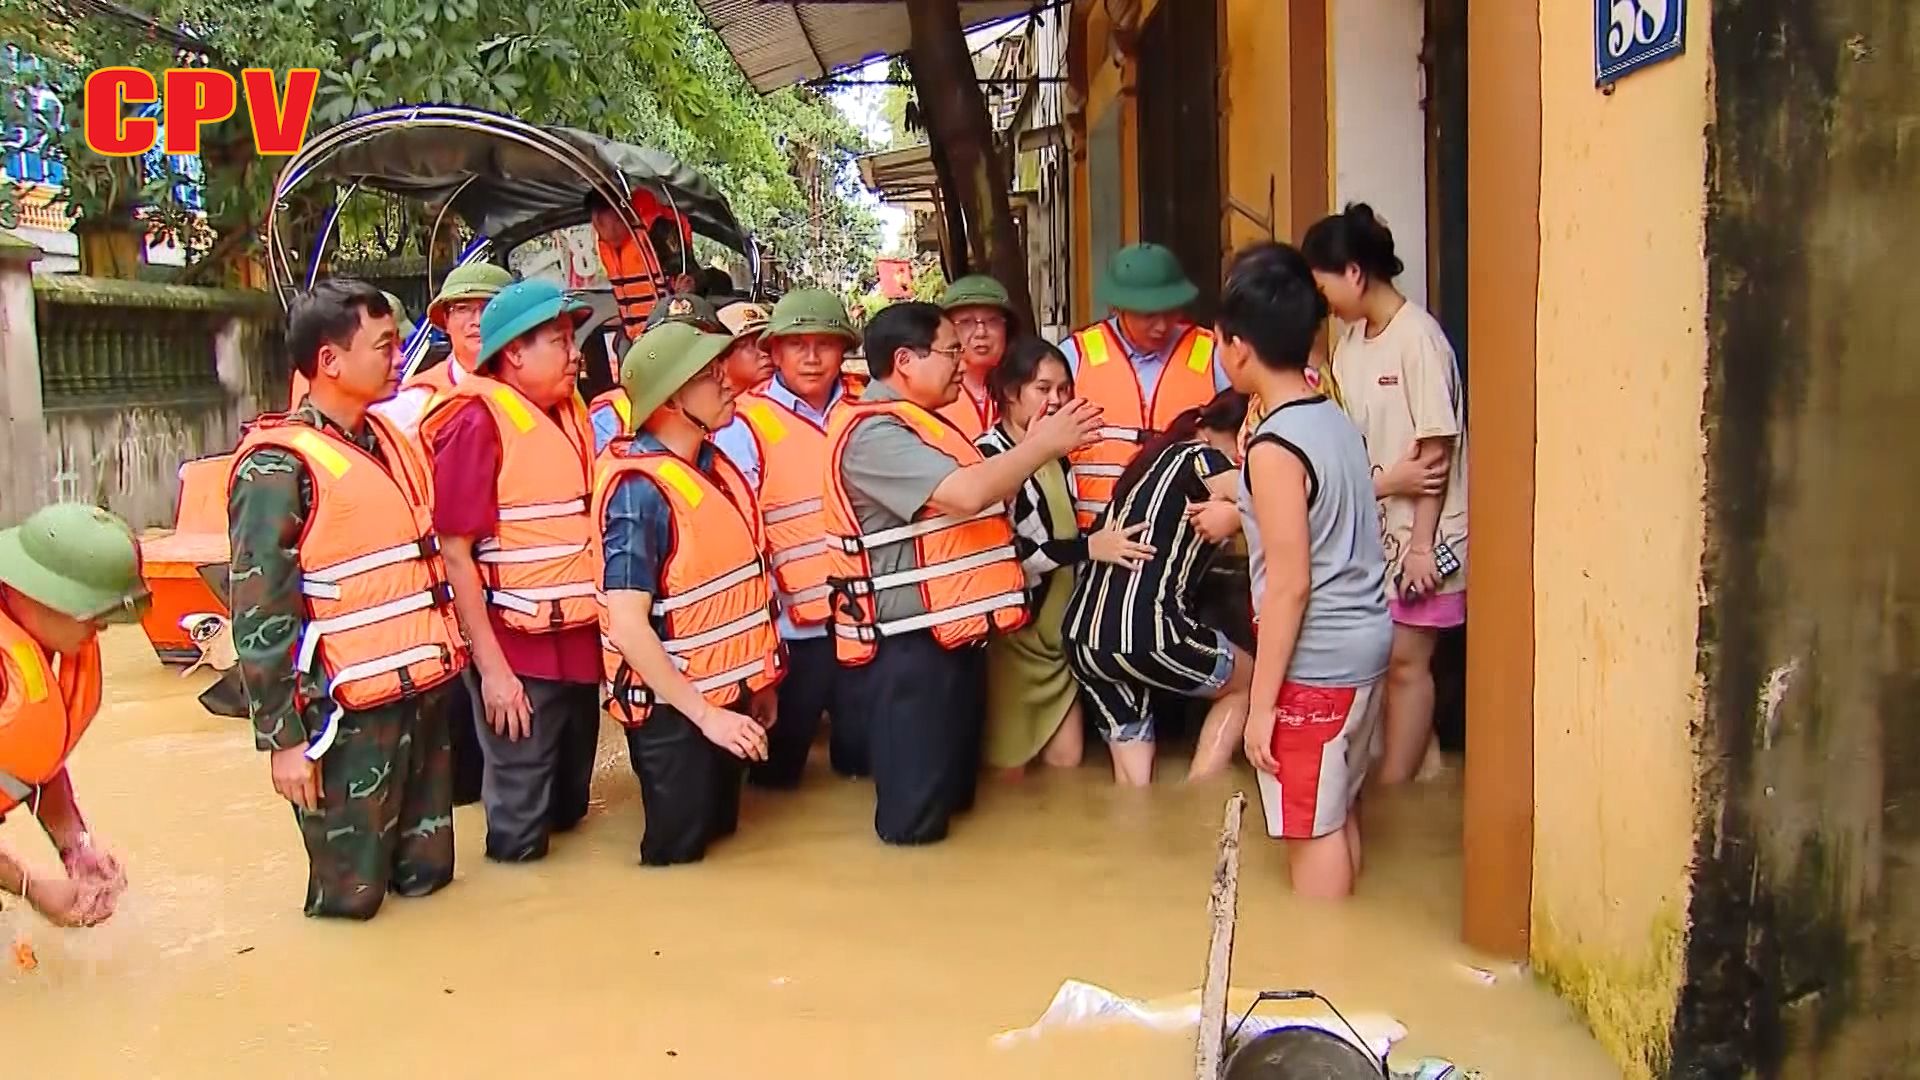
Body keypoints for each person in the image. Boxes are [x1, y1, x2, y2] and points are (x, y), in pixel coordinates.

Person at [228, 280, 467, 919]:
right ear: (329, 361)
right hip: (343, 721)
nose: (397, 357)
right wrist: (282, 741)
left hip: (419, 697)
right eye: (383, 346)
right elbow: (258, 612)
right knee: (351, 902)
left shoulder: (392, 440)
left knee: (430, 877)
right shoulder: (277, 469)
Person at [823, 302, 1103, 844]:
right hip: (909, 649)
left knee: (956, 803)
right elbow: (968, 493)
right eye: (951, 351)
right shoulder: (874, 434)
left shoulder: (927, 424)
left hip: (951, 638)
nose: (962, 361)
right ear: (905, 361)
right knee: (915, 823)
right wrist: (1042, 444)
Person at [1219, 242, 1393, 899]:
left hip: (1315, 664)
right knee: (1333, 811)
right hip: (1363, 644)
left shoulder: (1276, 446)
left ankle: (1324, 977)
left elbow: (1290, 583)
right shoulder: (1330, 418)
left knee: (1308, 827)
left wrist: (1260, 708)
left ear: (1237, 347)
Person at [418, 280, 603, 864]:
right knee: (520, 828)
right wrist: (494, 673)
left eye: (573, 339)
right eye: (559, 340)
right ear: (515, 353)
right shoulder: (476, 422)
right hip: (518, 655)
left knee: (571, 806)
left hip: (578, 642)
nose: (576, 353)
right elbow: (454, 552)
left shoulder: (572, 413)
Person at [597, 322, 782, 865]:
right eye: (710, 375)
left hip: (729, 700)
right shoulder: (639, 493)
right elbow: (627, 625)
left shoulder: (715, 468)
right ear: (673, 398)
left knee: (721, 840)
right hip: (678, 716)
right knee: (678, 859)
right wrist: (706, 716)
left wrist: (758, 681)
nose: (729, 383)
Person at [1303, 204, 1468, 785]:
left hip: (1423, 533)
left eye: (1322, 282)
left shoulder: (1419, 340)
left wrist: (1422, 546)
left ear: (1353, 273)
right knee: (1381, 658)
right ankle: (1421, 769)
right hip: (1375, 529)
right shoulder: (1350, 343)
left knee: (1407, 662)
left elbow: (1435, 452)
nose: (1320, 297)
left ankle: (1397, 788)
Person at [974, 338, 1155, 774]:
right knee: (1009, 770)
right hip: (1015, 643)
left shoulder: (1061, 459)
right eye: (1042, 389)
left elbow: (1063, 531)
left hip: (1058, 644)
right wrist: (1090, 547)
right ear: (1011, 393)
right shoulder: (989, 456)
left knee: (1067, 763)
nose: (1056, 401)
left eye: (1064, 389)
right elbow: (1012, 555)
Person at [711, 289, 870, 786]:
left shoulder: (870, 408)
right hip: (791, 633)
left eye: (824, 343)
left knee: (861, 767)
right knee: (776, 777)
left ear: (843, 349)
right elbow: (735, 536)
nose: (811, 356)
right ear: (774, 351)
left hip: (866, 620)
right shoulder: (743, 422)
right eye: (796, 343)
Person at [1061, 390, 1254, 786]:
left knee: (1134, 787)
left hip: (1085, 638)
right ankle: (1201, 793)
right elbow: (1269, 496)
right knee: (1249, 681)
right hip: (1148, 634)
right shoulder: (1201, 456)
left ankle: (1146, 832)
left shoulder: (1146, 464)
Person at [0, 503, 145, 928]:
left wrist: (75, 846)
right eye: (94, 615)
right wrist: (32, 888)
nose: (100, 630)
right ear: (42, 593)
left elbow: (23, 760)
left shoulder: (31, 636)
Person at [1056, 243, 1234, 529]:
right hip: (1099, 533)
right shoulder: (1075, 355)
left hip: (1184, 536)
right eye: (1149, 314)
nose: (1162, 325)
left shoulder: (1211, 352)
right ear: (1117, 308)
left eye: (1170, 311)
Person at [371, 264, 518, 439]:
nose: (478, 321)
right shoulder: (412, 405)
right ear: (446, 319)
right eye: (463, 308)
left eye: (491, 308)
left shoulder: (541, 389)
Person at [588, 293, 726, 454]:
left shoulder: (732, 398)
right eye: (668, 336)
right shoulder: (611, 412)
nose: (683, 345)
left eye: (697, 335)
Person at [936, 275, 1016, 441]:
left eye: (993, 321)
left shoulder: (1027, 386)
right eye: (966, 322)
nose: (981, 332)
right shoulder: (931, 390)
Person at [588, 192, 665, 336]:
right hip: (634, 334)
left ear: (623, 213)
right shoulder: (605, 249)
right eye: (598, 225)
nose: (604, 231)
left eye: (614, 223)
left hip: (663, 327)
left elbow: (687, 274)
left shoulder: (654, 234)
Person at [716, 300, 773, 394]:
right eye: (750, 346)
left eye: (767, 344)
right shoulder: (707, 405)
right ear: (722, 357)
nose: (765, 353)